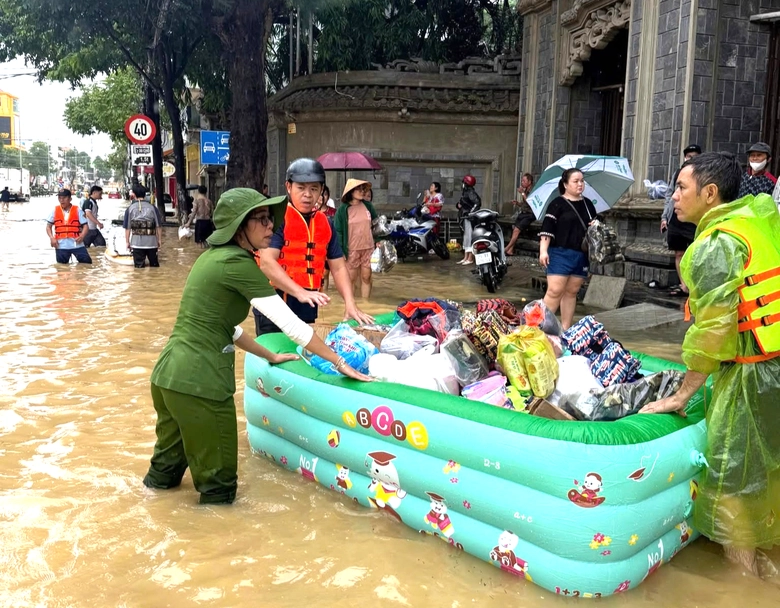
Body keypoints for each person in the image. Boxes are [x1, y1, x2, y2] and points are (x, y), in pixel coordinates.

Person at [143, 188, 372, 505]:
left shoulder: (212, 259)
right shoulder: (238, 264)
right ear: (239, 226)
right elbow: (291, 325)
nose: (271, 227)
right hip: (201, 384)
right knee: (219, 491)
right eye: (262, 220)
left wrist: (269, 354)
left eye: (270, 219)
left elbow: (228, 329)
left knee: (162, 481)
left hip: (169, 379)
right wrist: (339, 362)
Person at [639, 152, 780, 577]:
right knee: (768, 466)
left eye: (681, 187)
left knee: (733, 473)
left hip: (751, 372)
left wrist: (684, 393)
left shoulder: (716, 244)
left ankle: (744, 579)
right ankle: (766, 562)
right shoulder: (757, 219)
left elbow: (712, 333)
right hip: (774, 361)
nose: (674, 196)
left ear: (710, 193)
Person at [254, 158, 374, 335]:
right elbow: (266, 262)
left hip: (307, 302)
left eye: (314, 188)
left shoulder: (325, 223)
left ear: (322, 192)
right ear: (288, 187)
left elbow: (339, 267)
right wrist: (299, 292)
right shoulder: (276, 218)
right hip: (274, 301)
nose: (308, 195)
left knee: (302, 354)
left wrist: (350, 303)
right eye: (301, 188)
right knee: (276, 353)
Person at [538, 168, 597, 330]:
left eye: (582, 181)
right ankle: (538, 328)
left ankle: (565, 329)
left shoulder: (588, 205)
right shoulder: (557, 204)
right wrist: (543, 251)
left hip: (581, 254)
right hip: (559, 253)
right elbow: (547, 229)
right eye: (576, 181)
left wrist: (594, 226)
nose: (580, 184)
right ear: (565, 184)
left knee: (571, 292)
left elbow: (594, 228)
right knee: (554, 291)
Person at [662, 144, 701, 297]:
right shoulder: (678, 173)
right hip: (676, 218)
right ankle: (683, 284)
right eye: (689, 156)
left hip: (692, 219)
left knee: (695, 253)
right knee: (679, 253)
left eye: (695, 157)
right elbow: (669, 195)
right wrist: (665, 216)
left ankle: (693, 285)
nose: (691, 159)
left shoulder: (702, 175)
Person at [336, 179, 379, 299]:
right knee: (351, 279)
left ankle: (366, 304)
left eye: (362, 189)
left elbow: (376, 225)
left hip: (368, 247)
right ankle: (351, 305)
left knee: (366, 277)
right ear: (351, 192)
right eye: (358, 189)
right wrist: (340, 251)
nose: (362, 191)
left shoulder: (368, 206)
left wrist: (380, 240)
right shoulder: (342, 210)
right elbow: (338, 231)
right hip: (351, 249)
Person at [46, 188, 92, 264]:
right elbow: (48, 226)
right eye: (59, 198)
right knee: (62, 268)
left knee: (87, 264)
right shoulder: (54, 211)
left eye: (64, 198)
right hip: (61, 246)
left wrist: (82, 236)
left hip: (77, 244)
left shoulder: (78, 211)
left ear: (70, 199)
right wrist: (51, 238)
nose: (61, 200)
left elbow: (86, 226)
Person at [124, 184, 163, 268]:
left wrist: (127, 242)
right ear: (145, 194)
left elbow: (127, 228)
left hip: (137, 244)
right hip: (152, 243)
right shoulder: (153, 208)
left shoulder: (130, 209)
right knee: (154, 268)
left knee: (139, 269)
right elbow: (158, 226)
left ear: (133, 194)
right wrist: (159, 240)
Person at [505, 173, 536, 256]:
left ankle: (506, 248)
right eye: (522, 181)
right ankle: (510, 250)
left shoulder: (533, 190)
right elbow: (525, 204)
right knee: (514, 228)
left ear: (529, 182)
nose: (522, 182)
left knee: (516, 230)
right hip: (523, 213)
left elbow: (530, 202)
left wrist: (522, 193)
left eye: (524, 181)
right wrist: (518, 203)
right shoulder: (526, 190)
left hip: (530, 215)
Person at [456, 175, 481, 265]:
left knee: (469, 236)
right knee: (466, 237)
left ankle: (470, 258)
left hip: (469, 218)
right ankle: (466, 257)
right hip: (464, 216)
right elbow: (464, 203)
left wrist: (471, 213)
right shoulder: (466, 192)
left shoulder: (470, 192)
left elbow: (477, 202)